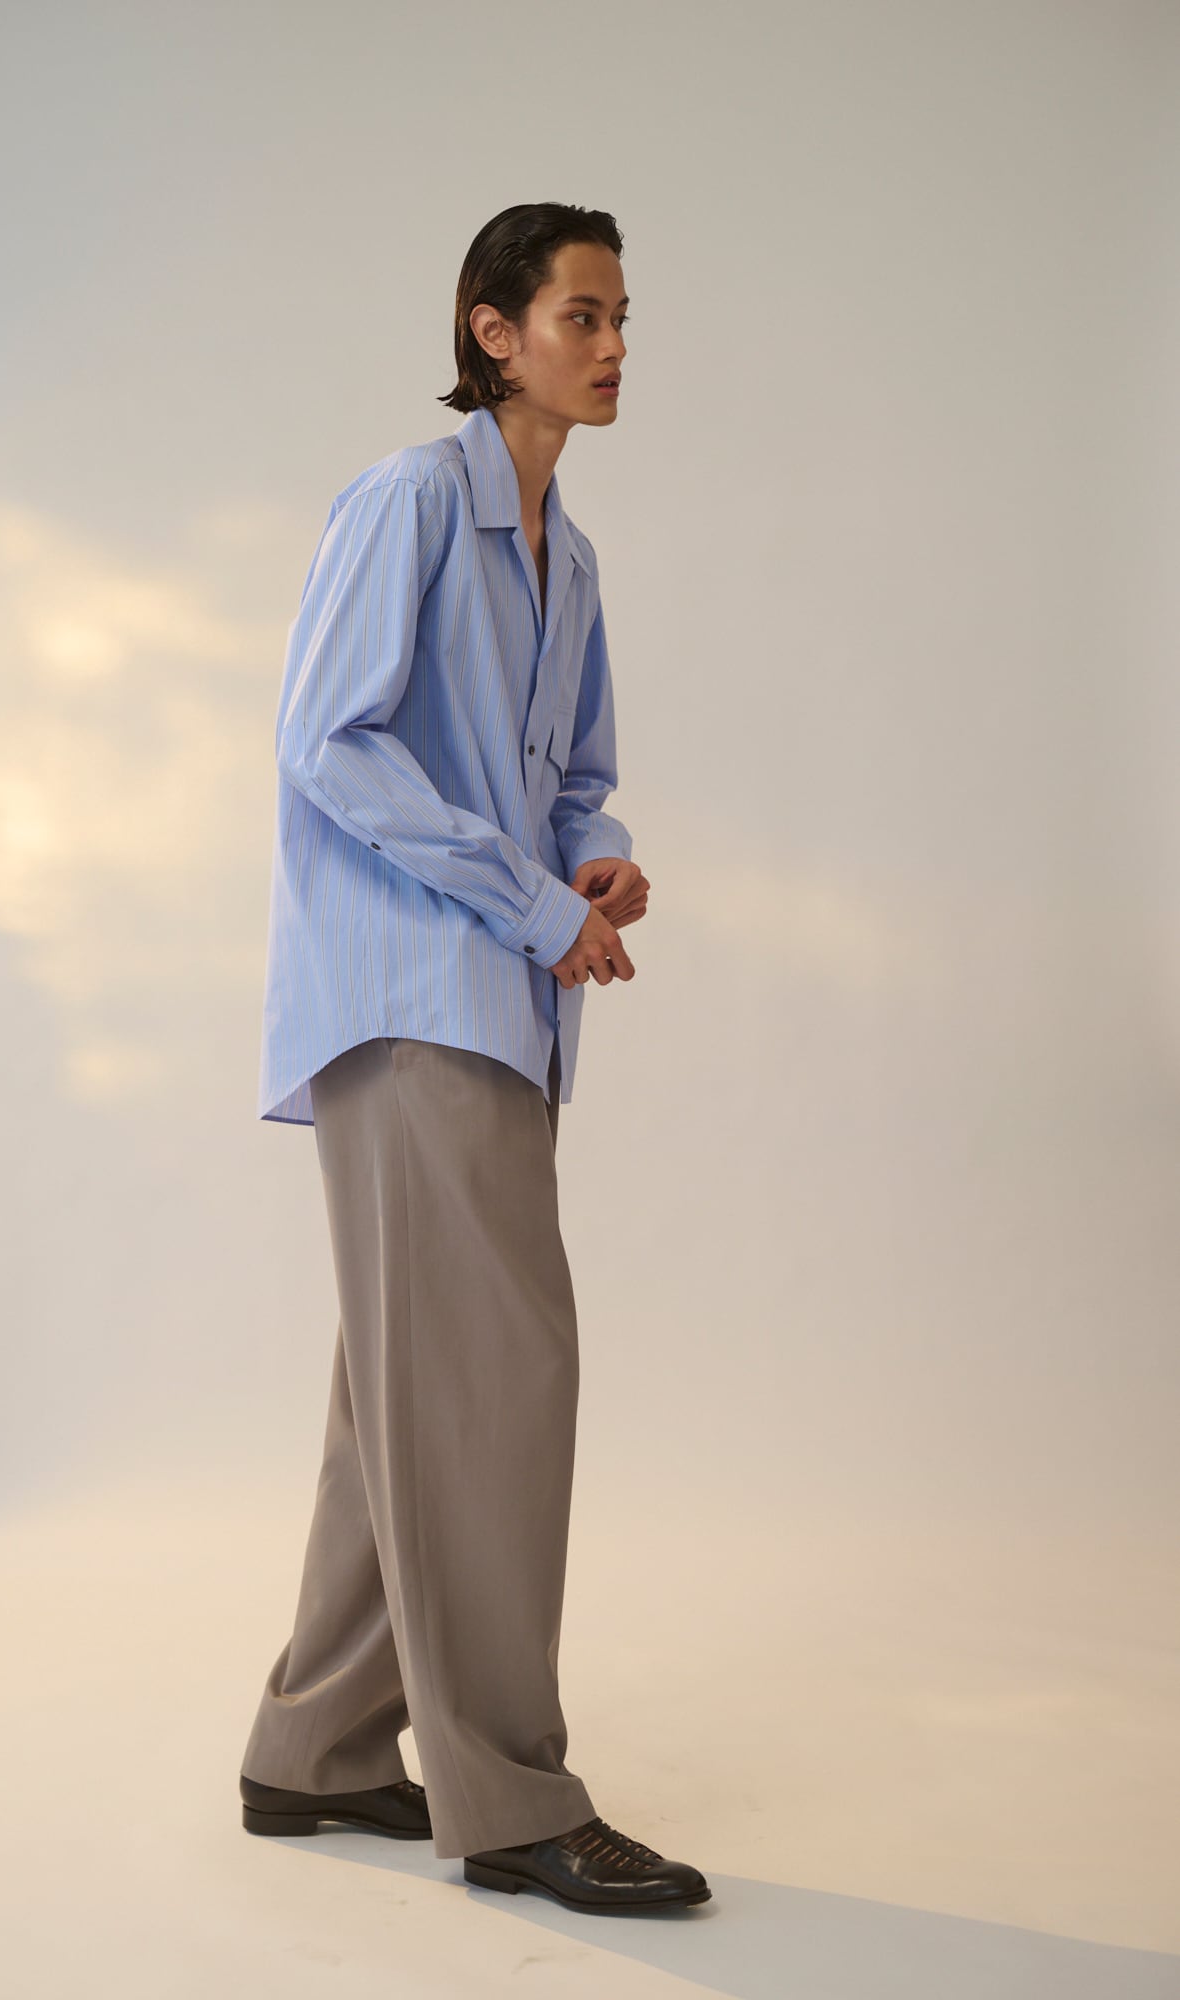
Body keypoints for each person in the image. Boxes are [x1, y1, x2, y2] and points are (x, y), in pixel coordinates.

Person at [238, 202, 710, 1915]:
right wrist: (528, 901)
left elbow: (577, 777)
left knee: (416, 1385)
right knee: (499, 1381)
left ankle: (317, 1746)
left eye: (621, 315)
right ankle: (509, 1796)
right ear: (492, 332)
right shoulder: (408, 501)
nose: (613, 345)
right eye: (582, 314)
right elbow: (330, 743)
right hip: (409, 999)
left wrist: (595, 862)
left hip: (499, 1001)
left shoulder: (566, 558)